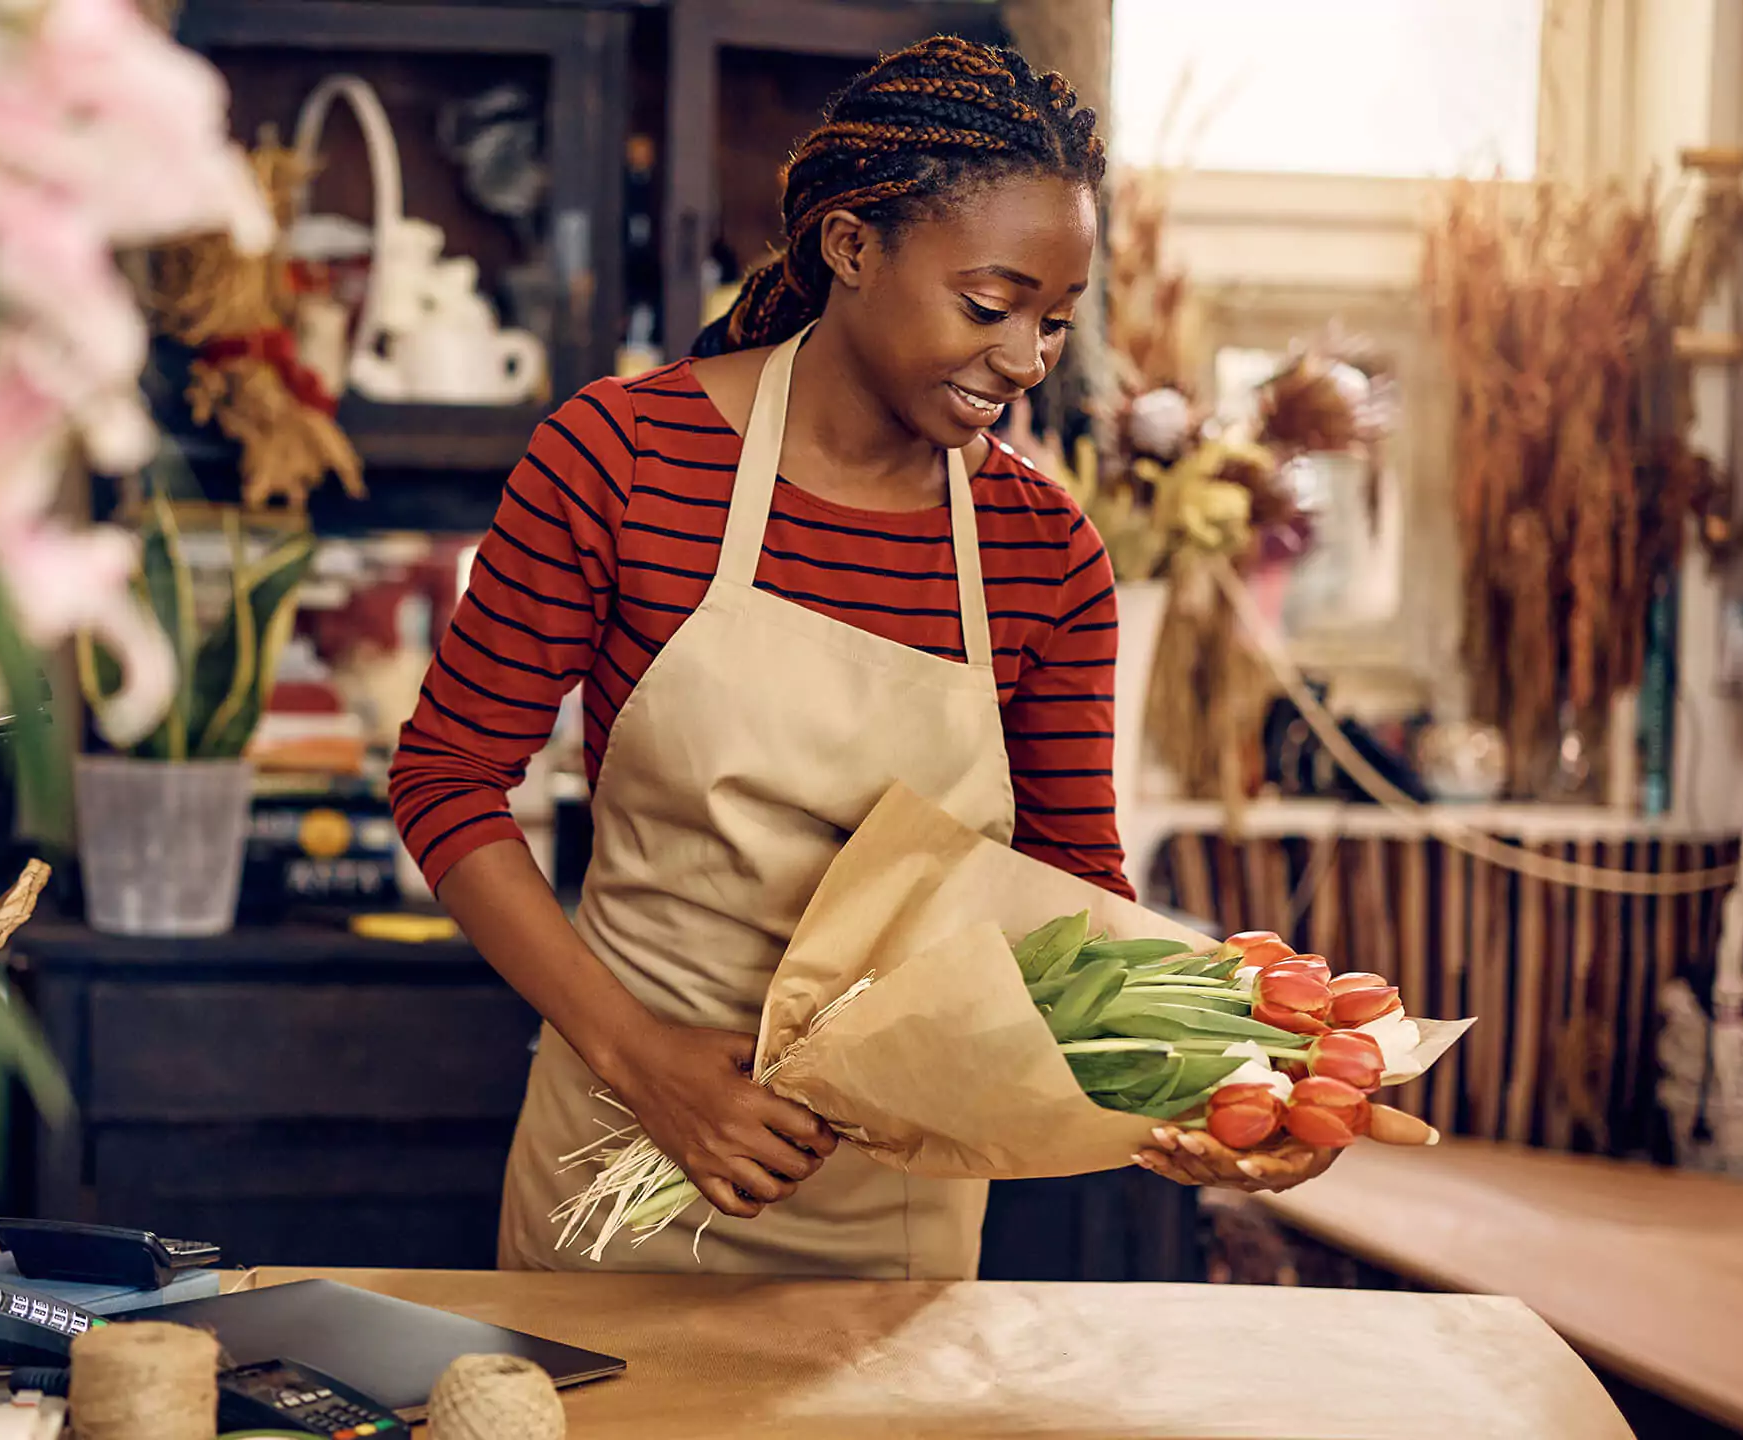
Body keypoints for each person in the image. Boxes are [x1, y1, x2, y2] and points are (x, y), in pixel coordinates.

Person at [387, 35, 1336, 1280]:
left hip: (895, 1214)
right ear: (848, 247)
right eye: (989, 306)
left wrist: (1215, 1080)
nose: (1024, 360)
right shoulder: (626, 457)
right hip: (617, 1165)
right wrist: (646, 1061)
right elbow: (446, 780)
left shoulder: (1043, 551)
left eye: (1055, 321)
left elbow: (1069, 896)